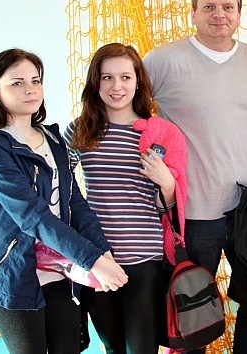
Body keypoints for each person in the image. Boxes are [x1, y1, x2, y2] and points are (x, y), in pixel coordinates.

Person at [143, 0, 247, 354]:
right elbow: (127, 107)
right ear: (192, 12)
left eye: (228, 7)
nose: (219, 14)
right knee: (193, 315)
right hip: (194, 214)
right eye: (209, 7)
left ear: (239, 13)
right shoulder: (162, 60)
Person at [0, 48, 128, 354]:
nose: (30, 89)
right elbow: (32, 216)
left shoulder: (52, 139)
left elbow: (76, 202)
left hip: (60, 271)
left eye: (35, 81)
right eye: (17, 83)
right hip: (14, 273)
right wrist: (92, 259)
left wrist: (103, 251)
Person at [64, 43, 187, 354]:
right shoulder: (80, 130)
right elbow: (58, 185)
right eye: (107, 78)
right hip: (98, 259)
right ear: (95, 83)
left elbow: (168, 207)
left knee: (141, 348)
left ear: (138, 81)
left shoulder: (158, 133)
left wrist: (167, 183)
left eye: (125, 77)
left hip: (144, 259)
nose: (116, 86)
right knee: (114, 346)